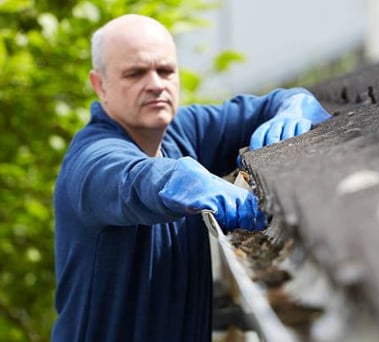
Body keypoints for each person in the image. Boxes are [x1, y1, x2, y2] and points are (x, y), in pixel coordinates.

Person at [52, 14, 331, 341]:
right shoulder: (89, 161)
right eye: (135, 73)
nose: (155, 83)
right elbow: (131, 178)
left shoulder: (185, 131)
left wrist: (295, 107)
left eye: (166, 70)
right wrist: (180, 179)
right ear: (100, 85)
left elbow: (278, 102)